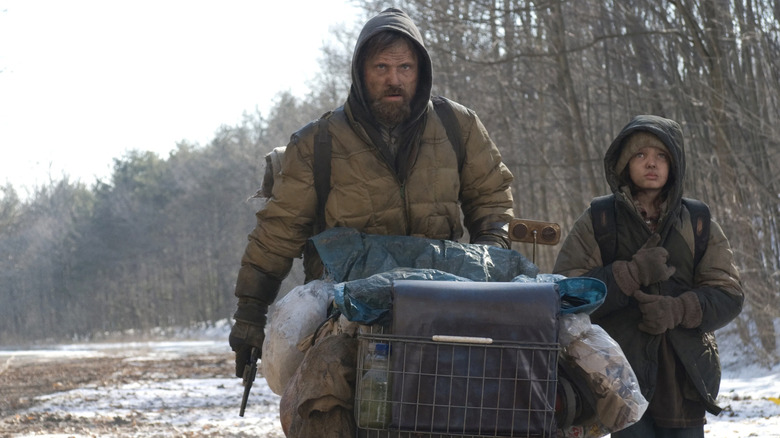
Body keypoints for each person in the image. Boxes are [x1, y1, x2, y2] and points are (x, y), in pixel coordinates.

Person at [229, 6, 514, 390]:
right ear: (361, 72)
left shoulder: (457, 126)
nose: (394, 80)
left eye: (405, 68)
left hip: (442, 301)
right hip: (344, 313)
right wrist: (250, 315)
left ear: (421, 71)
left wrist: (488, 262)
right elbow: (277, 236)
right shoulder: (318, 143)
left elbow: (492, 201)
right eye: (381, 67)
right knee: (325, 404)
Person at [553, 115, 743, 437]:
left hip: (686, 378)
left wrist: (680, 309)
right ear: (625, 163)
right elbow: (564, 296)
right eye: (640, 155)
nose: (651, 163)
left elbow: (729, 293)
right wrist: (629, 274)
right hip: (621, 378)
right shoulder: (599, 220)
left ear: (674, 164)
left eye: (661, 156)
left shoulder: (697, 221)